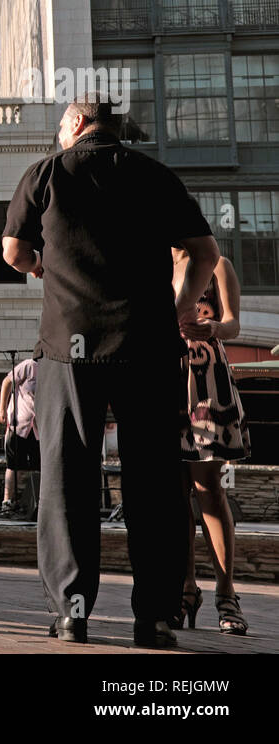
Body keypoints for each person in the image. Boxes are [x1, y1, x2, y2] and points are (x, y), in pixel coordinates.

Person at [3, 94, 220, 649]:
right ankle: (155, 617)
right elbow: (204, 252)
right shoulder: (154, 174)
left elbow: (12, 252)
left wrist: (40, 266)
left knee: (68, 478)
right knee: (154, 481)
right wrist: (177, 309)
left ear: (76, 123)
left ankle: (73, 613)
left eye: (60, 125)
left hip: (67, 348)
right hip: (146, 345)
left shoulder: (45, 174)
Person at [172, 244, 250, 635]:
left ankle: (226, 593)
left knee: (208, 488)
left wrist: (214, 328)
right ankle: (185, 591)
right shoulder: (151, 265)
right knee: (174, 491)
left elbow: (234, 324)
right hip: (163, 379)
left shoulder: (217, 262)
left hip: (206, 381)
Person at [0, 358, 38, 521]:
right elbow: (7, 381)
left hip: (40, 427)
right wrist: (2, 409)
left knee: (40, 465)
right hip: (20, 422)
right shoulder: (29, 365)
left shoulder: (54, 369)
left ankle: (39, 503)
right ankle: (7, 502)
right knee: (14, 464)